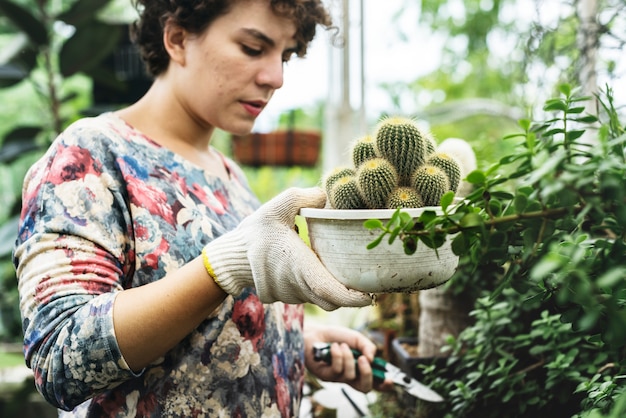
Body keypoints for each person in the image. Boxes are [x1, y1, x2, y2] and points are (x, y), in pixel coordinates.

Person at [13, 0, 389, 416]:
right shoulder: (90, 155)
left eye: (284, 55)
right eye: (252, 48)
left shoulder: (231, 178)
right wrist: (222, 267)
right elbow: (59, 361)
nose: (276, 77)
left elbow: (209, 328)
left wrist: (302, 339)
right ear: (177, 39)